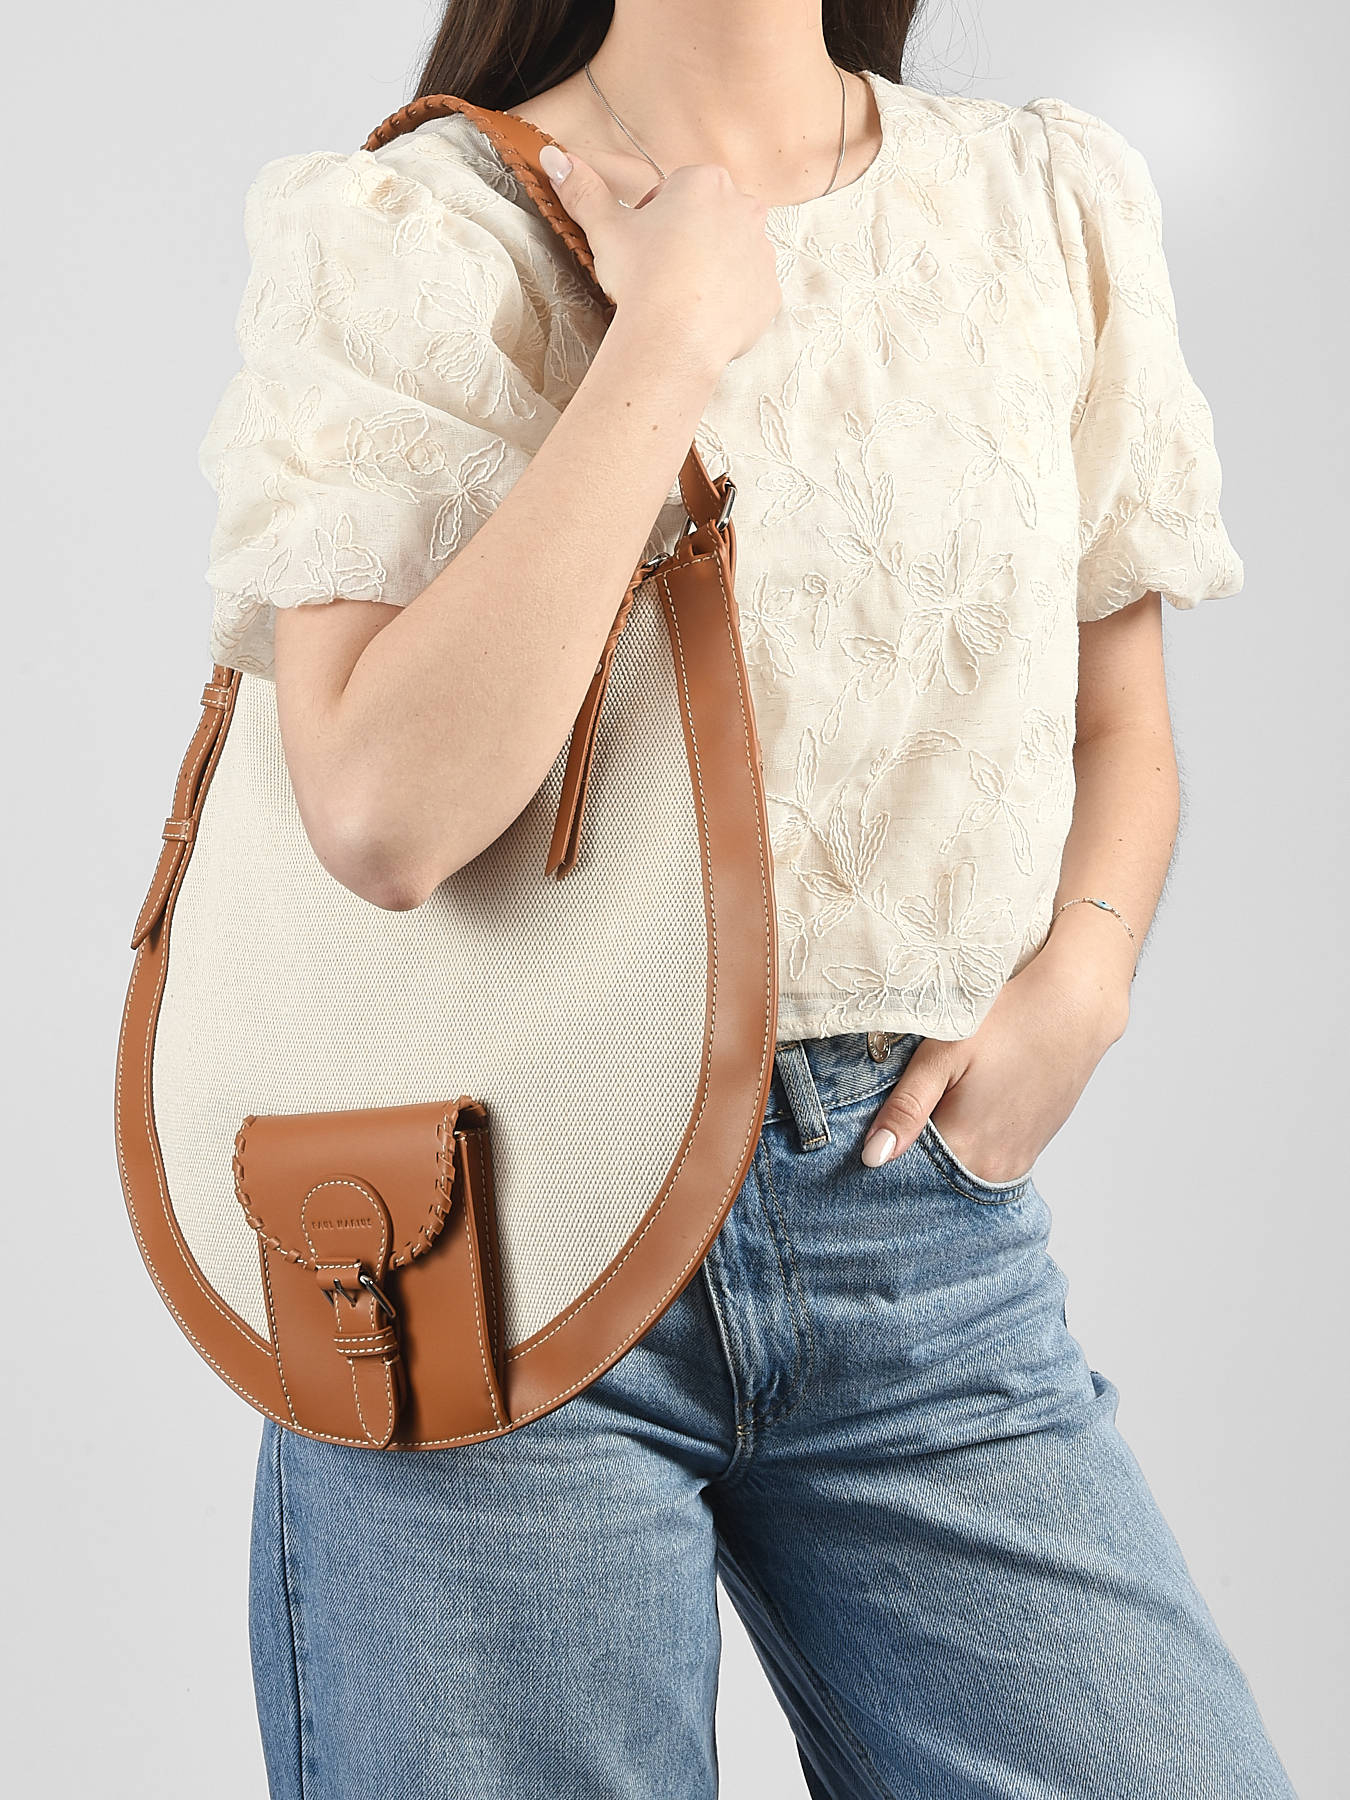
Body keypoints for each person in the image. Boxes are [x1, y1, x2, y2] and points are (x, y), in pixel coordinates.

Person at [197, 3, 1297, 1794]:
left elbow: (1117, 717)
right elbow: (386, 816)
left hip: (918, 1236)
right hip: (488, 1235)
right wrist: (671, 336)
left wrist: (1083, 982)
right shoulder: (419, 230)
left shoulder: (1041, 200)